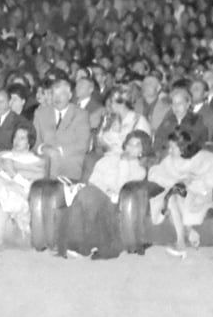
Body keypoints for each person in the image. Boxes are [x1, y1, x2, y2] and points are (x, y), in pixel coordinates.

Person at [57, 129, 150, 259]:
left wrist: (124, 163)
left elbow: (121, 188)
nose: (131, 148)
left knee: (87, 196)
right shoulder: (109, 160)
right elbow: (94, 180)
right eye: (129, 144)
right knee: (86, 195)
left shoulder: (140, 171)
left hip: (117, 205)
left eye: (136, 145)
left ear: (143, 150)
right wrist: (106, 190)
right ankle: (75, 245)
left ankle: (79, 246)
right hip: (98, 195)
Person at [147, 127, 213, 258]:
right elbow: (153, 173)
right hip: (177, 194)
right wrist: (176, 180)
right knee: (172, 196)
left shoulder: (205, 158)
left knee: (173, 197)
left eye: (173, 147)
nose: (169, 151)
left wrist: (196, 182)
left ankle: (184, 238)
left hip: (199, 195)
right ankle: (183, 239)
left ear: (184, 147)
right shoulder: (170, 160)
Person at [31, 78, 92, 180]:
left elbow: (83, 145)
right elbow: (34, 140)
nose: (57, 98)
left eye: (61, 94)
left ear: (70, 96)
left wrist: (57, 151)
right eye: (54, 94)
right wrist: (43, 148)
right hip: (43, 162)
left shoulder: (81, 114)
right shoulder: (41, 113)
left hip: (69, 163)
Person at [94, 85, 153, 158]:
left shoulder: (138, 121)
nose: (109, 105)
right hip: (107, 158)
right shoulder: (110, 119)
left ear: (120, 103)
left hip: (128, 161)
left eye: (111, 102)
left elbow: (143, 149)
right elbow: (99, 140)